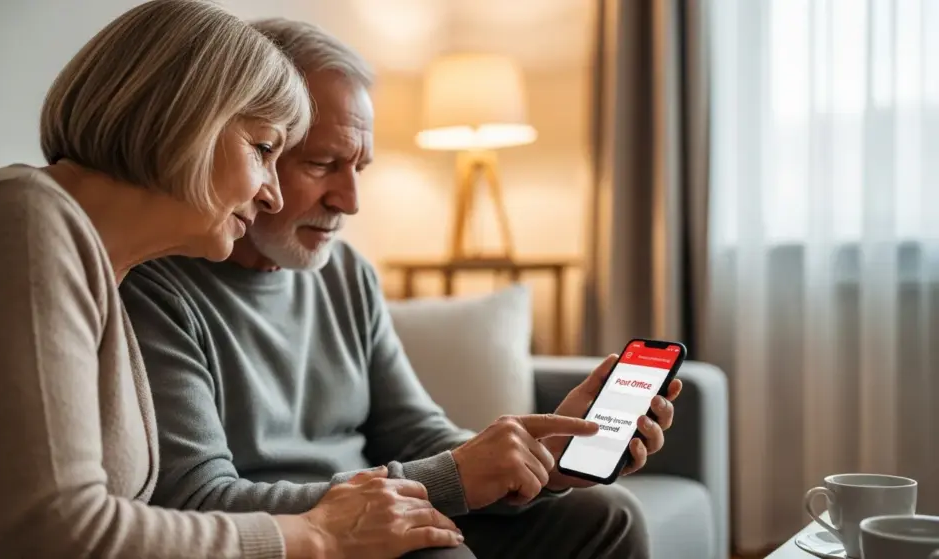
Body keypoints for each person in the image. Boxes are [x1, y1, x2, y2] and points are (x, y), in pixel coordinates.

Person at [0, 3, 464, 558]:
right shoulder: (20, 221)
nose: (270, 192)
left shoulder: (98, 264)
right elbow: (53, 536)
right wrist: (317, 534)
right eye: (264, 149)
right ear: (181, 122)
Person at [120, 17, 682, 559]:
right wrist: (448, 480)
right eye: (322, 163)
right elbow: (195, 500)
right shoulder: (154, 287)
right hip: (288, 535)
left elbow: (414, 434)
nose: (350, 200)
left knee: (608, 516)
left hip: (386, 503)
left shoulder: (346, 274)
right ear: (253, 152)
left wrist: (540, 459)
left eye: (359, 166)